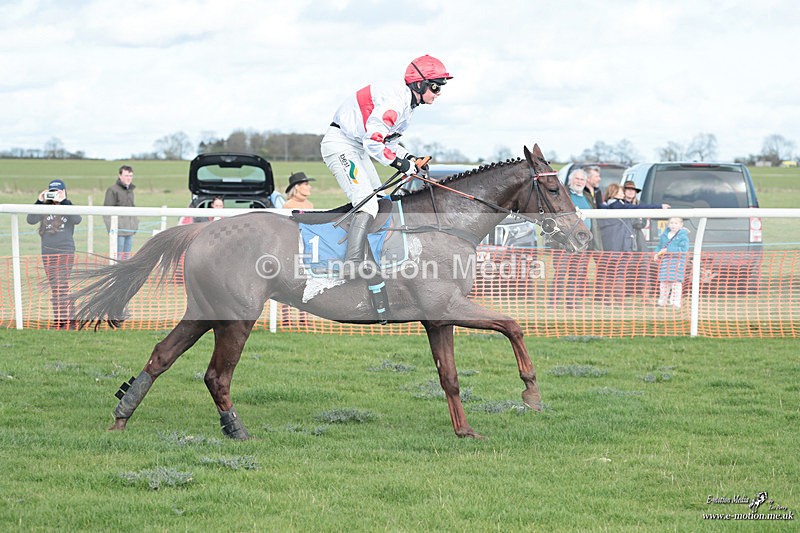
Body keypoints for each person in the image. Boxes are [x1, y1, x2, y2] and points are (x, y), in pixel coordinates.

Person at [320, 54, 451, 320]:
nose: (438, 93)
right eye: (435, 86)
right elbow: (373, 142)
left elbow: (387, 143)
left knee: (380, 200)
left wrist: (409, 158)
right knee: (367, 203)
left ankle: (371, 256)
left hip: (355, 145)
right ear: (419, 85)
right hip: (342, 145)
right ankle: (351, 263)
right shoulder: (396, 101)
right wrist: (401, 165)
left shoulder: (407, 106)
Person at [597, 183, 669, 304]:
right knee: (618, 270)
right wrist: (659, 206)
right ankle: (615, 299)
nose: (625, 193)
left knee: (616, 270)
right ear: (615, 192)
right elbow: (637, 210)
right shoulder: (618, 204)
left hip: (623, 241)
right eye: (623, 191)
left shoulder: (611, 204)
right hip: (621, 242)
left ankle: (611, 298)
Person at [26, 179, 82, 329]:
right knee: (54, 287)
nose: (54, 195)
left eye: (57, 192)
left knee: (62, 286)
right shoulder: (44, 208)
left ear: (63, 192)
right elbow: (30, 220)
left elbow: (77, 219)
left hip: (65, 251)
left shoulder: (68, 206)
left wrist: (64, 201)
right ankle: (59, 321)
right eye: (52, 191)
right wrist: (39, 200)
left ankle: (70, 321)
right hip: (48, 252)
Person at [549, 169, 592, 308]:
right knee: (561, 272)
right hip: (565, 241)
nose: (579, 182)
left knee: (577, 273)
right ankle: (554, 302)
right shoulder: (563, 194)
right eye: (577, 179)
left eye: (582, 180)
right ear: (571, 180)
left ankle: (571, 302)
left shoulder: (587, 196)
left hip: (583, 242)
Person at [103, 165, 138, 260]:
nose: (129, 178)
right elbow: (107, 211)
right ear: (120, 175)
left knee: (126, 257)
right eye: (126, 175)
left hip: (130, 230)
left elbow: (132, 208)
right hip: (118, 231)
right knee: (117, 258)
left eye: (130, 176)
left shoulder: (131, 191)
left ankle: (125, 275)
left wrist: (135, 225)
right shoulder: (112, 190)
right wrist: (111, 229)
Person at [655, 217, 690, 308]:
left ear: (681, 225)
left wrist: (668, 250)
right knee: (663, 281)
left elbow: (683, 249)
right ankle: (662, 301)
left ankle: (675, 303)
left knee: (676, 283)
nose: (673, 225)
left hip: (677, 261)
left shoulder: (683, 236)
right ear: (668, 224)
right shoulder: (664, 235)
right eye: (671, 223)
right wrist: (656, 254)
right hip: (665, 261)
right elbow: (660, 246)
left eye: (676, 223)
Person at [583, 166, 604, 251]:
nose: (599, 179)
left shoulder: (598, 191)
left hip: (597, 228)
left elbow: (600, 206)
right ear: (588, 178)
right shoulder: (581, 191)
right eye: (596, 176)